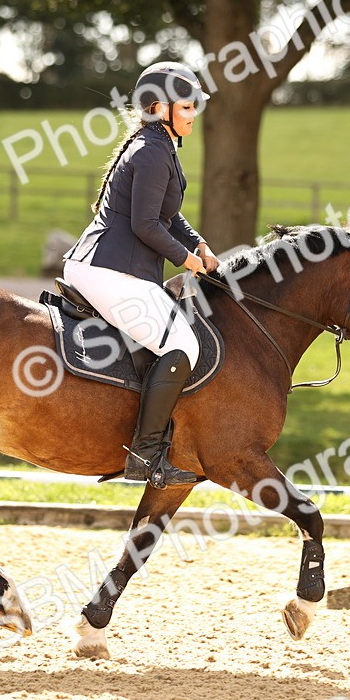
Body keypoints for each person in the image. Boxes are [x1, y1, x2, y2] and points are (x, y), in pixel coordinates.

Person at [62, 61, 220, 489]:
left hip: (114, 265)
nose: (193, 115)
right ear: (159, 107)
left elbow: (168, 214)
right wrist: (187, 260)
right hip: (111, 268)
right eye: (186, 107)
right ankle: (145, 455)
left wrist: (199, 243)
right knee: (182, 343)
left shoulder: (158, 145)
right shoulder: (152, 152)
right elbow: (145, 226)